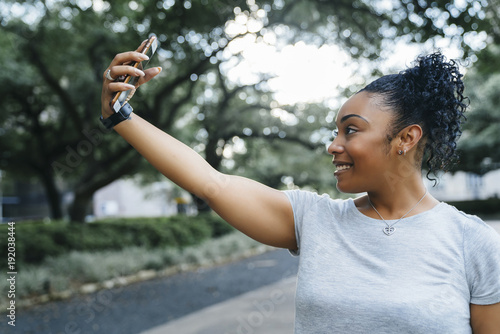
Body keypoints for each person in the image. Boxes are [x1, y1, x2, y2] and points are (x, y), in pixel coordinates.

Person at [101, 45, 500, 333]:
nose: (333, 144)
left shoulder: (473, 243)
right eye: (335, 131)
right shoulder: (314, 219)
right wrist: (120, 117)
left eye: (352, 130)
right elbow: (212, 182)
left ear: (406, 138)